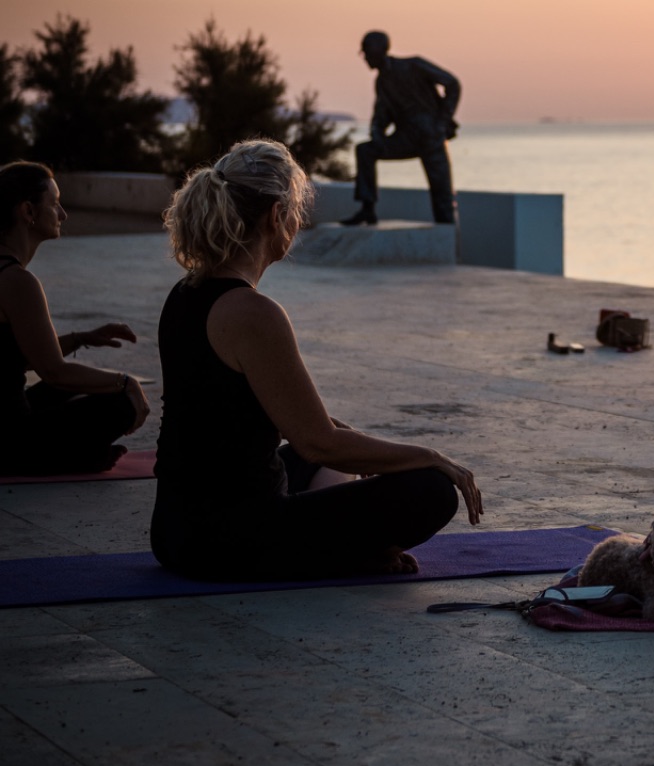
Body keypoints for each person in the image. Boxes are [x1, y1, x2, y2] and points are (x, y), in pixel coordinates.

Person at [151, 138, 481, 579]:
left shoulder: (186, 291)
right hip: (227, 543)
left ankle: (355, 546)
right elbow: (317, 443)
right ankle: (354, 552)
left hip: (176, 529)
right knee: (432, 489)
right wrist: (430, 455)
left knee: (336, 448)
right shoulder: (253, 313)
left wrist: (361, 448)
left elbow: (298, 433)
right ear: (276, 216)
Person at [0, 161, 149, 474]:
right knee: (119, 403)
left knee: (78, 387)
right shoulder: (16, 281)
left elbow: (20, 357)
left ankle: (78, 452)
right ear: (28, 212)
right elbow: (53, 371)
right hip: (10, 441)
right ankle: (71, 457)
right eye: (54, 204)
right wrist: (126, 383)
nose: (63, 214)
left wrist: (81, 338)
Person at [343, 31, 461, 227]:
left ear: (379, 50)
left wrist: (441, 122)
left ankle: (446, 236)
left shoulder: (413, 65)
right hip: (405, 138)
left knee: (442, 195)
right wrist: (377, 133)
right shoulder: (381, 82)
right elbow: (381, 115)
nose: (364, 57)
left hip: (430, 136)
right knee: (365, 151)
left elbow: (452, 83)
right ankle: (367, 209)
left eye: (366, 52)